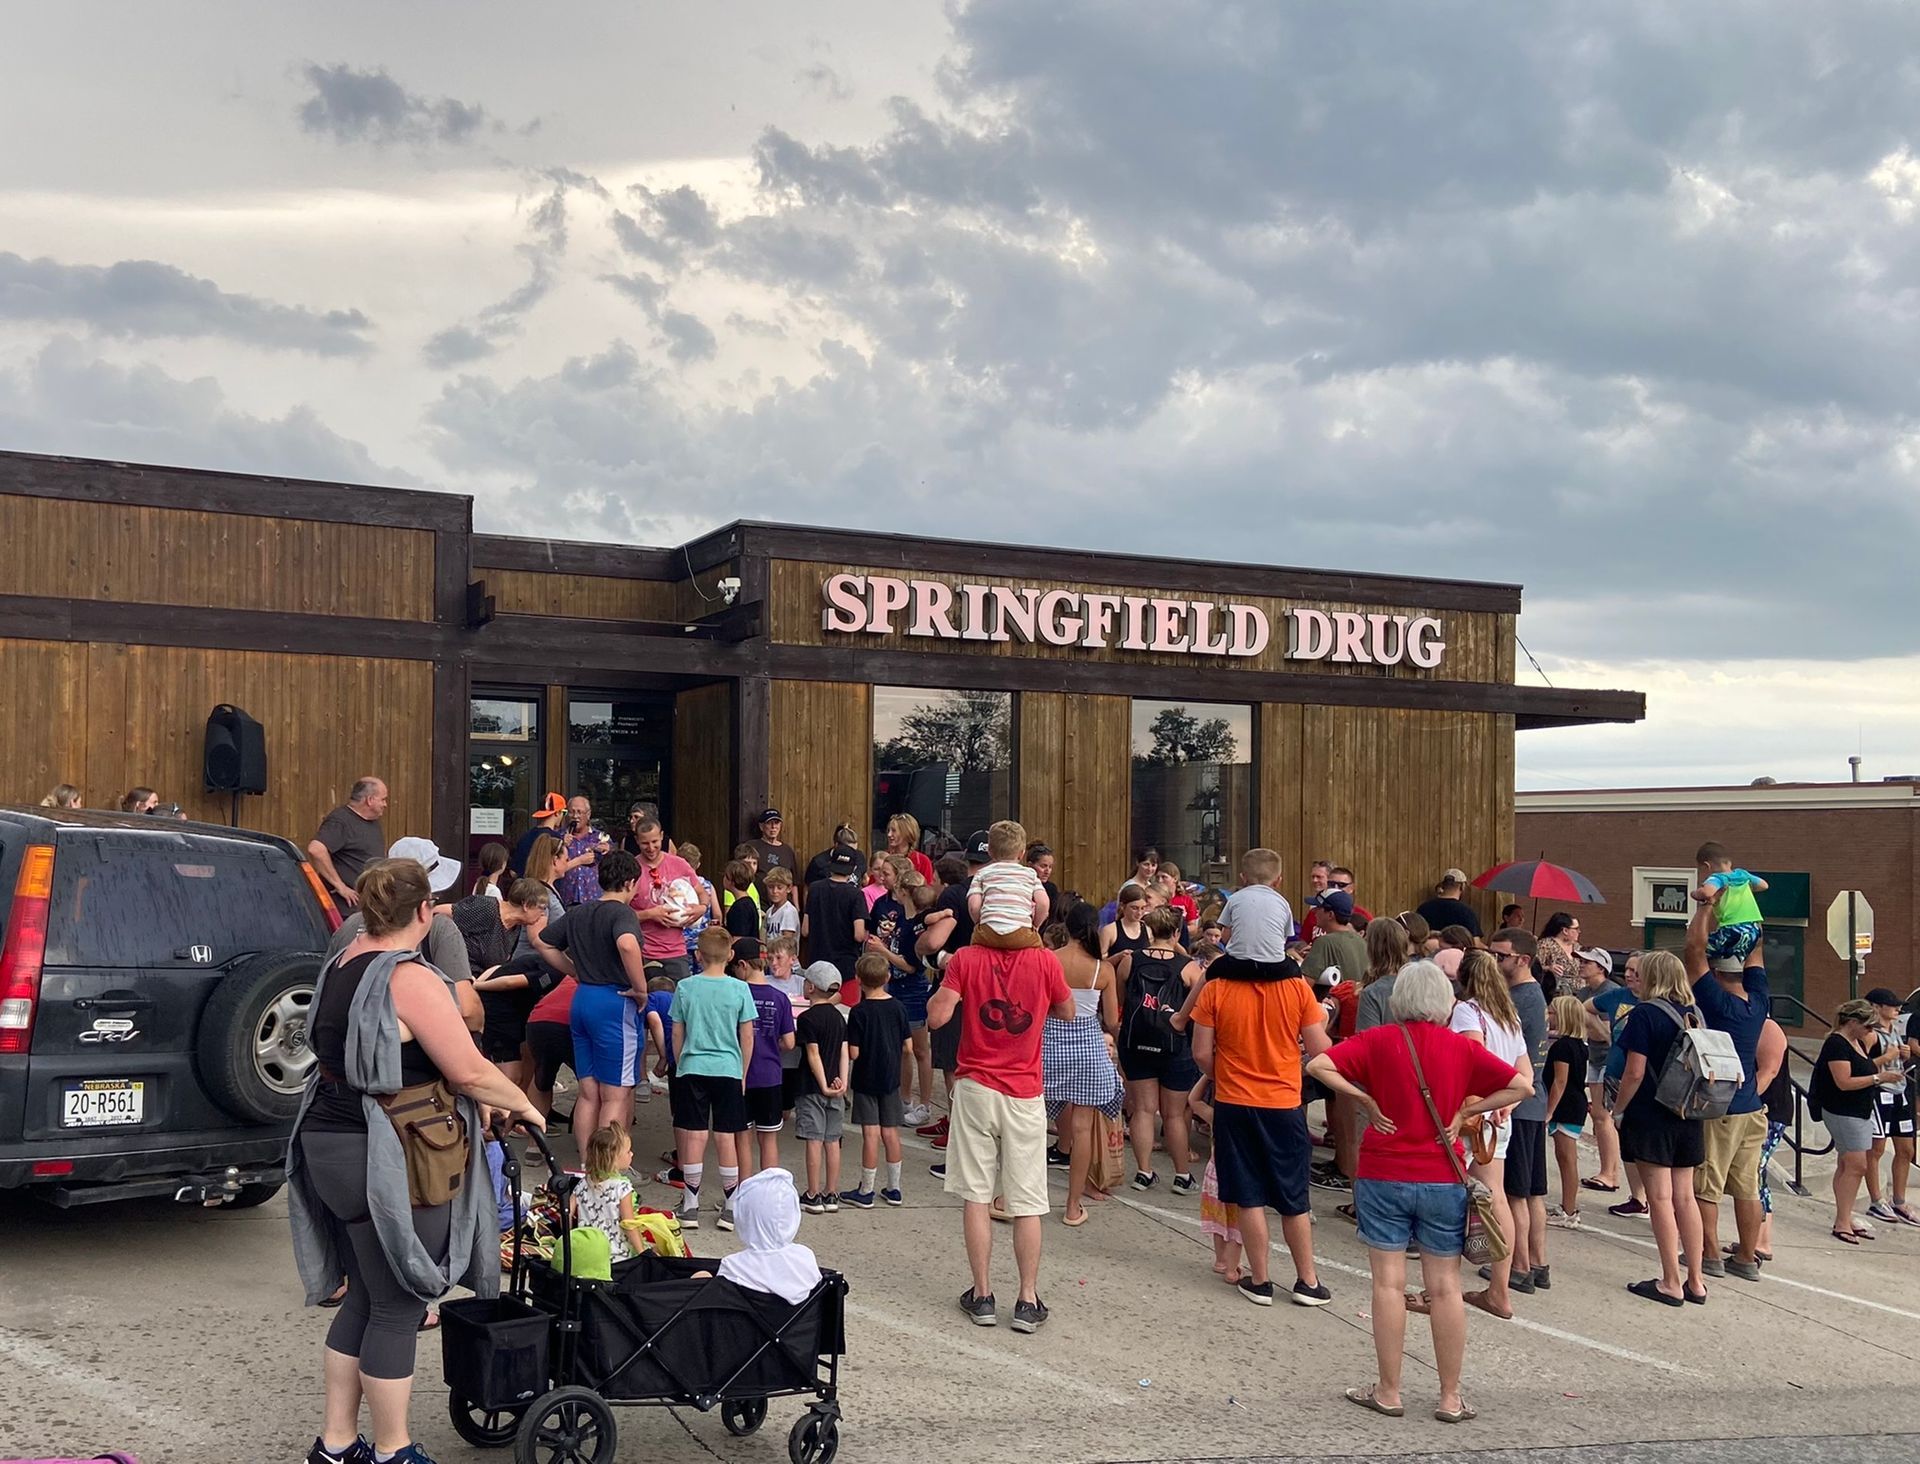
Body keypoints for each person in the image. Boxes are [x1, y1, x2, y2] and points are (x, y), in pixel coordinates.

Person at [289, 859, 542, 1464]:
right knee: (401, 1305)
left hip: (326, 1139)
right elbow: (469, 1070)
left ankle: (336, 1443)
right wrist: (527, 1110)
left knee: (366, 1296)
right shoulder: (409, 977)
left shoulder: (341, 963)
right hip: (389, 1147)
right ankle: (393, 1450)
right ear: (425, 912)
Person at [1307, 961, 1528, 1425]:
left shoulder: (1377, 1040)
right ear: (1444, 1001)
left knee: (1387, 1284)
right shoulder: (1459, 1047)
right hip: (1441, 1175)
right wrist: (1466, 1115)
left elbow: (1319, 1063)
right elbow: (1520, 1085)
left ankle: (1389, 1390)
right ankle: (1450, 1397)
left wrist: (1364, 1098)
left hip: (1383, 1171)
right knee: (1444, 1288)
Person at [928, 924, 1074, 1332]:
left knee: (975, 1194)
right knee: (1027, 1199)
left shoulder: (966, 959)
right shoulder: (1044, 959)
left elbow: (937, 1017)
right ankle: (1027, 1299)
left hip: (976, 1085)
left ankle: (982, 1294)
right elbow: (1068, 1010)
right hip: (1024, 1090)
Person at [1188, 953, 1332, 1307]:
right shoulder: (1297, 987)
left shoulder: (1216, 987)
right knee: (1293, 1197)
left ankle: (1261, 1278)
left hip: (1235, 1102)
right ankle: (1307, 1281)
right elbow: (1320, 1049)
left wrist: (1228, 1074)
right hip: (1283, 1102)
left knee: (1248, 1194)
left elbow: (1201, 1053)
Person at [1610, 950, 1708, 1304]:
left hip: (1652, 1113)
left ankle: (1670, 1280)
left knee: (1660, 1197)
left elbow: (1634, 1071)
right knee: (1685, 1196)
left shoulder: (1645, 1014)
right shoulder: (1694, 1015)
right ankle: (1696, 1279)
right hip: (1688, 1111)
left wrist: (1617, 1110)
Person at [1682, 899, 1770, 1281]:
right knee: (1747, 1187)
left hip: (1720, 1106)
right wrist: (1745, 907)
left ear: (1716, 974)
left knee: (1708, 1184)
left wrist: (1707, 908)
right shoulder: (1758, 1002)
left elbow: (1693, 951)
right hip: (1752, 1106)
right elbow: (1758, 953)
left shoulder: (1716, 1003)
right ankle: (1747, 1258)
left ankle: (1710, 1253)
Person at [533, 851, 648, 1139]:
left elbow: (544, 943)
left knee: (588, 1093)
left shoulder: (579, 911)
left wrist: (574, 971)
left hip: (582, 998)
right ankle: (606, 1170)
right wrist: (640, 988)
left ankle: (586, 1167)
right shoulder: (623, 913)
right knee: (615, 1095)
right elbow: (627, 945)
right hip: (615, 1002)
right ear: (630, 882)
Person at [1447, 949, 1532, 1318]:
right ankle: (1500, 1284)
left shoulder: (1468, 1012)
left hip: (1474, 1114)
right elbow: (1524, 1071)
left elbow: (1473, 1059)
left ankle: (1448, 1279)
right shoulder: (1508, 1016)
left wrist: (1474, 1104)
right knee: (1496, 1196)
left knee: (1456, 1192)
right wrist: (1508, 1100)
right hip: (1500, 1115)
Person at [668, 926, 759, 1231]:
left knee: (694, 1134)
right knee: (726, 1136)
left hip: (693, 1066)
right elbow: (747, 1036)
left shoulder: (685, 987)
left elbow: (677, 1031)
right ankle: (730, 1205)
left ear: (698, 954)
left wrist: (681, 1062)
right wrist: (743, 1072)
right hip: (728, 1068)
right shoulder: (739, 989)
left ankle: (691, 1203)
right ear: (731, 955)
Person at [1044, 901, 1123, 1226]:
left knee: (1030, 1125)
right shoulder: (1102, 970)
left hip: (1048, 1045)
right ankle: (1073, 1205)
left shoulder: (1049, 960)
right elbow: (1112, 1018)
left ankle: (1013, 1196)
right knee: (1082, 1128)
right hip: (1088, 1048)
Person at [1115, 904, 1202, 1193]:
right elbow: (1198, 1009)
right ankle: (1182, 1175)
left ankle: (1143, 1171)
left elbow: (1121, 999)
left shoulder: (1130, 961)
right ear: (1177, 932)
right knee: (1174, 1114)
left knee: (1142, 1109)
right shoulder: (1188, 967)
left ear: (1149, 930)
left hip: (1136, 1041)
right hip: (1174, 1045)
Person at [1485, 927, 1551, 1292]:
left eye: (1501, 956)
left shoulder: (1522, 997)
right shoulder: (1532, 995)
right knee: (1531, 1192)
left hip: (1519, 1104)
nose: (1494, 961)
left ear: (1522, 960)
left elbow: (1518, 1059)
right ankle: (1538, 1262)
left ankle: (1521, 1265)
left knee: (1515, 1194)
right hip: (1531, 1103)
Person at [1814, 997, 1908, 1244]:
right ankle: (1842, 1221)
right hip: (1843, 1110)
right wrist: (1879, 1079)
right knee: (1857, 1165)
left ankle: (1844, 1216)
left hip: (1860, 1109)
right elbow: (1843, 1082)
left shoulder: (1856, 1042)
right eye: (1868, 1026)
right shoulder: (1837, 1043)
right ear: (1853, 1022)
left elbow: (1863, 1067)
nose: (1870, 1032)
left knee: (1848, 1164)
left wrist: (1884, 1066)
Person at [465, 881, 564, 1087]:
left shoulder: (515, 931)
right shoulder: (487, 909)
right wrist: (477, 985)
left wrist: (482, 979)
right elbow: (509, 981)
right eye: (541, 909)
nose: (543, 915)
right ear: (527, 905)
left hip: (505, 1008)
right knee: (509, 1076)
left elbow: (501, 966)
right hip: (497, 1011)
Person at [843, 952, 912, 1208]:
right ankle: (894, 1187)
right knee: (891, 1133)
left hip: (866, 1078)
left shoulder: (859, 1012)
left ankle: (866, 1189)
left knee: (870, 1135)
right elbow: (908, 1047)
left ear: (859, 980)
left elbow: (854, 1053)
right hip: (891, 1077)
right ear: (887, 977)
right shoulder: (898, 1007)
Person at [734, 936, 795, 1179]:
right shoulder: (780, 998)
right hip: (770, 1074)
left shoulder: (736, 993)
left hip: (741, 1074)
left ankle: (743, 1189)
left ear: (742, 965)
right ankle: (768, 1190)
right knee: (768, 1138)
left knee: (743, 1138)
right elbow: (790, 1042)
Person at [717, 1168, 824, 1304]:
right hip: (800, 1323)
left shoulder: (733, 1267)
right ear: (792, 1216)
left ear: (744, 1216)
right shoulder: (806, 1259)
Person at [1601, 953, 1653, 1219]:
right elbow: (1584, 1008)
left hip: (1638, 1083)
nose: (1630, 974)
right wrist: (1598, 1031)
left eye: (1636, 970)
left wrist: (1621, 1106)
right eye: (1628, 969)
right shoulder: (1616, 996)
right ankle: (1638, 1197)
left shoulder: (1651, 1008)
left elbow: (1637, 1069)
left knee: (1641, 1140)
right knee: (1627, 1141)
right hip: (1614, 1075)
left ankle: (1651, 1197)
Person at [1578, 947, 1633, 1197]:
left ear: (1601, 967)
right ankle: (1607, 1171)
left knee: (1603, 1116)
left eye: (1587, 962)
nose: (1581, 965)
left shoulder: (1610, 992)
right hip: (1593, 1057)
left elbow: (1608, 1035)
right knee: (1600, 1117)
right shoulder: (1584, 992)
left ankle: (1610, 1173)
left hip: (1606, 1060)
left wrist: (1582, 1017)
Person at [795, 963, 849, 1214]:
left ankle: (813, 1193)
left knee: (814, 1140)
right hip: (838, 1085)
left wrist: (823, 1084)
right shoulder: (839, 1017)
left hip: (813, 1086)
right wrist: (842, 1081)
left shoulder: (807, 1019)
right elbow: (843, 1050)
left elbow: (812, 1053)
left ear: (812, 987)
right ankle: (832, 1192)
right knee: (832, 1140)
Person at [1862, 987, 1919, 1226]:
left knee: (1906, 1148)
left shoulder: (1895, 1030)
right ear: (1876, 1007)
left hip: (1900, 1091)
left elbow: (1899, 1057)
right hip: (1879, 1092)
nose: (1897, 1009)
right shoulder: (1869, 1034)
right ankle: (1877, 1199)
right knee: (1876, 1149)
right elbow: (1861, 1065)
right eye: (1892, 1005)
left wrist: (1903, 1055)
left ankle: (1899, 1199)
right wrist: (1887, 1057)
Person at [629, 816, 701, 984]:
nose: (651, 848)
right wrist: (649, 914)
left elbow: (702, 893)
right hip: (643, 952)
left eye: (655, 841)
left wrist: (702, 908)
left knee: (681, 1003)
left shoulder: (679, 864)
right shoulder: (631, 868)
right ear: (636, 840)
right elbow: (619, 912)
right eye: (645, 843)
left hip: (675, 951)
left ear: (662, 836)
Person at [309, 777, 389, 912]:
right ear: (369, 800)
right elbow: (316, 849)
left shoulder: (372, 821)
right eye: (383, 799)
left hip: (368, 907)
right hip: (346, 909)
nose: (385, 804)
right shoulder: (341, 821)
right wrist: (340, 885)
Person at [1545, 994, 1591, 1229]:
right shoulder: (1579, 1045)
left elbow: (1559, 1082)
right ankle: (1567, 1206)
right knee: (1565, 1159)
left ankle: (1569, 1210)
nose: (1548, 1016)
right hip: (1574, 1105)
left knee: (1566, 1159)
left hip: (1566, 1108)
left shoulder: (1563, 1047)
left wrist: (1549, 1111)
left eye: (1552, 1012)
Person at [968, 819, 1048, 946]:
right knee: (1039, 951)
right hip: (1021, 932)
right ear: (1022, 854)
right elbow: (1043, 904)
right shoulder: (1030, 874)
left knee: (974, 947)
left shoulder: (982, 873)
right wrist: (1035, 925)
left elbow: (974, 906)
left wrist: (979, 923)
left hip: (988, 931)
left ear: (989, 851)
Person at [574, 1124, 648, 1262]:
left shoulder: (582, 1184)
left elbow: (566, 1213)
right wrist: (642, 1252)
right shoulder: (622, 1188)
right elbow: (628, 1224)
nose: (632, 1154)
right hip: (616, 1255)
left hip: (587, 1251)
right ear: (613, 1158)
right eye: (628, 1151)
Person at [1213, 848, 1295, 971]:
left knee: (1208, 973)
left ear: (1243, 877)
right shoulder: (1283, 903)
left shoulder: (1235, 899)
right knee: (1297, 972)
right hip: (1274, 966)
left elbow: (1226, 935)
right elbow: (1283, 938)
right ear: (1278, 881)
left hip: (1238, 964)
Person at [1692, 841, 1769, 970]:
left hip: (1732, 929)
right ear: (1729, 862)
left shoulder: (1717, 878)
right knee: (1738, 959)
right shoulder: (1743, 875)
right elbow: (1764, 885)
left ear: (1707, 866)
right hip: (1754, 929)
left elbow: (1707, 892)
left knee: (1698, 950)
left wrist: (1695, 893)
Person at [1752, 1016, 1791, 1261]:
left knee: (1756, 1171)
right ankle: (1756, 1238)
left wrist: (1744, 1103)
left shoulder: (1768, 1028)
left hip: (1771, 1111)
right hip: (1758, 1109)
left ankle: (1761, 1241)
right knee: (1757, 1174)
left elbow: (1769, 1071)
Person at [802, 846, 868, 985]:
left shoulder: (814, 889)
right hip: (845, 968)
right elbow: (858, 935)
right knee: (846, 1006)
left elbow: (805, 930)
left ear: (830, 865)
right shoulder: (856, 894)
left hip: (817, 965)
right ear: (853, 868)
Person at [554, 796, 612, 908]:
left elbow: (615, 861)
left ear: (588, 814)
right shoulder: (558, 837)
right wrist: (561, 844)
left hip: (593, 899)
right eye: (572, 812)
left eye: (579, 812)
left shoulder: (599, 837)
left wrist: (609, 850)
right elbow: (549, 866)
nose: (575, 816)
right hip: (565, 900)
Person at [508, 792, 567, 879]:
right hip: (545, 889)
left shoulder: (526, 836)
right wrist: (581, 860)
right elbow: (559, 868)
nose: (563, 816)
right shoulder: (555, 839)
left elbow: (513, 872)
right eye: (564, 812)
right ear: (557, 813)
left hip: (526, 888)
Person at [1414, 868, 1482, 940]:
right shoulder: (1466, 912)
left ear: (1442, 885)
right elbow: (1475, 943)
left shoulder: (1423, 908)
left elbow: (1416, 935)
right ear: (1462, 886)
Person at [744, 808, 799, 894]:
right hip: (759, 902)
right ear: (761, 826)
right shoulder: (752, 846)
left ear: (780, 826)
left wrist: (796, 906)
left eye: (776, 823)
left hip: (783, 903)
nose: (773, 827)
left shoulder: (787, 850)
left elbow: (794, 883)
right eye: (769, 823)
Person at [804, 822, 868, 891]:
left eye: (854, 850)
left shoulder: (859, 856)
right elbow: (808, 888)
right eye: (849, 850)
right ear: (837, 845)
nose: (852, 853)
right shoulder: (818, 862)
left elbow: (864, 879)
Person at [1099, 882, 1151, 962]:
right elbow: (1099, 963)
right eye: (1134, 908)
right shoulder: (1109, 931)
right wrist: (1117, 957)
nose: (1139, 913)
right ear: (1123, 906)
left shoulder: (1148, 929)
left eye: (1143, 908)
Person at [884, 812, 937, 885]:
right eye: (888, 830)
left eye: (894, 831)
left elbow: (926, 891)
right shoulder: (884, 857)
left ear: (907, 833)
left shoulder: (922, 861)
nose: (889, 834)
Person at [723, 861, 762, 939]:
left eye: (725, 876)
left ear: (731, 881)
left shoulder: (741, 908)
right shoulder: (748, 903)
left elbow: (739, 937)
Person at [763, 866, 800, 942]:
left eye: (779, 888)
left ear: (789, 888)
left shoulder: (788, 911)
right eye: (771, 887)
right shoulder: (769, 911)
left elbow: (787, 941)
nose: (775, 891)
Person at [1025, 841, 1061, 920]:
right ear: (1030, 865)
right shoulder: (1022, 885)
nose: (1047, 871)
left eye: (1050, 867)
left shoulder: (1051, 889)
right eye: (1043, 866)